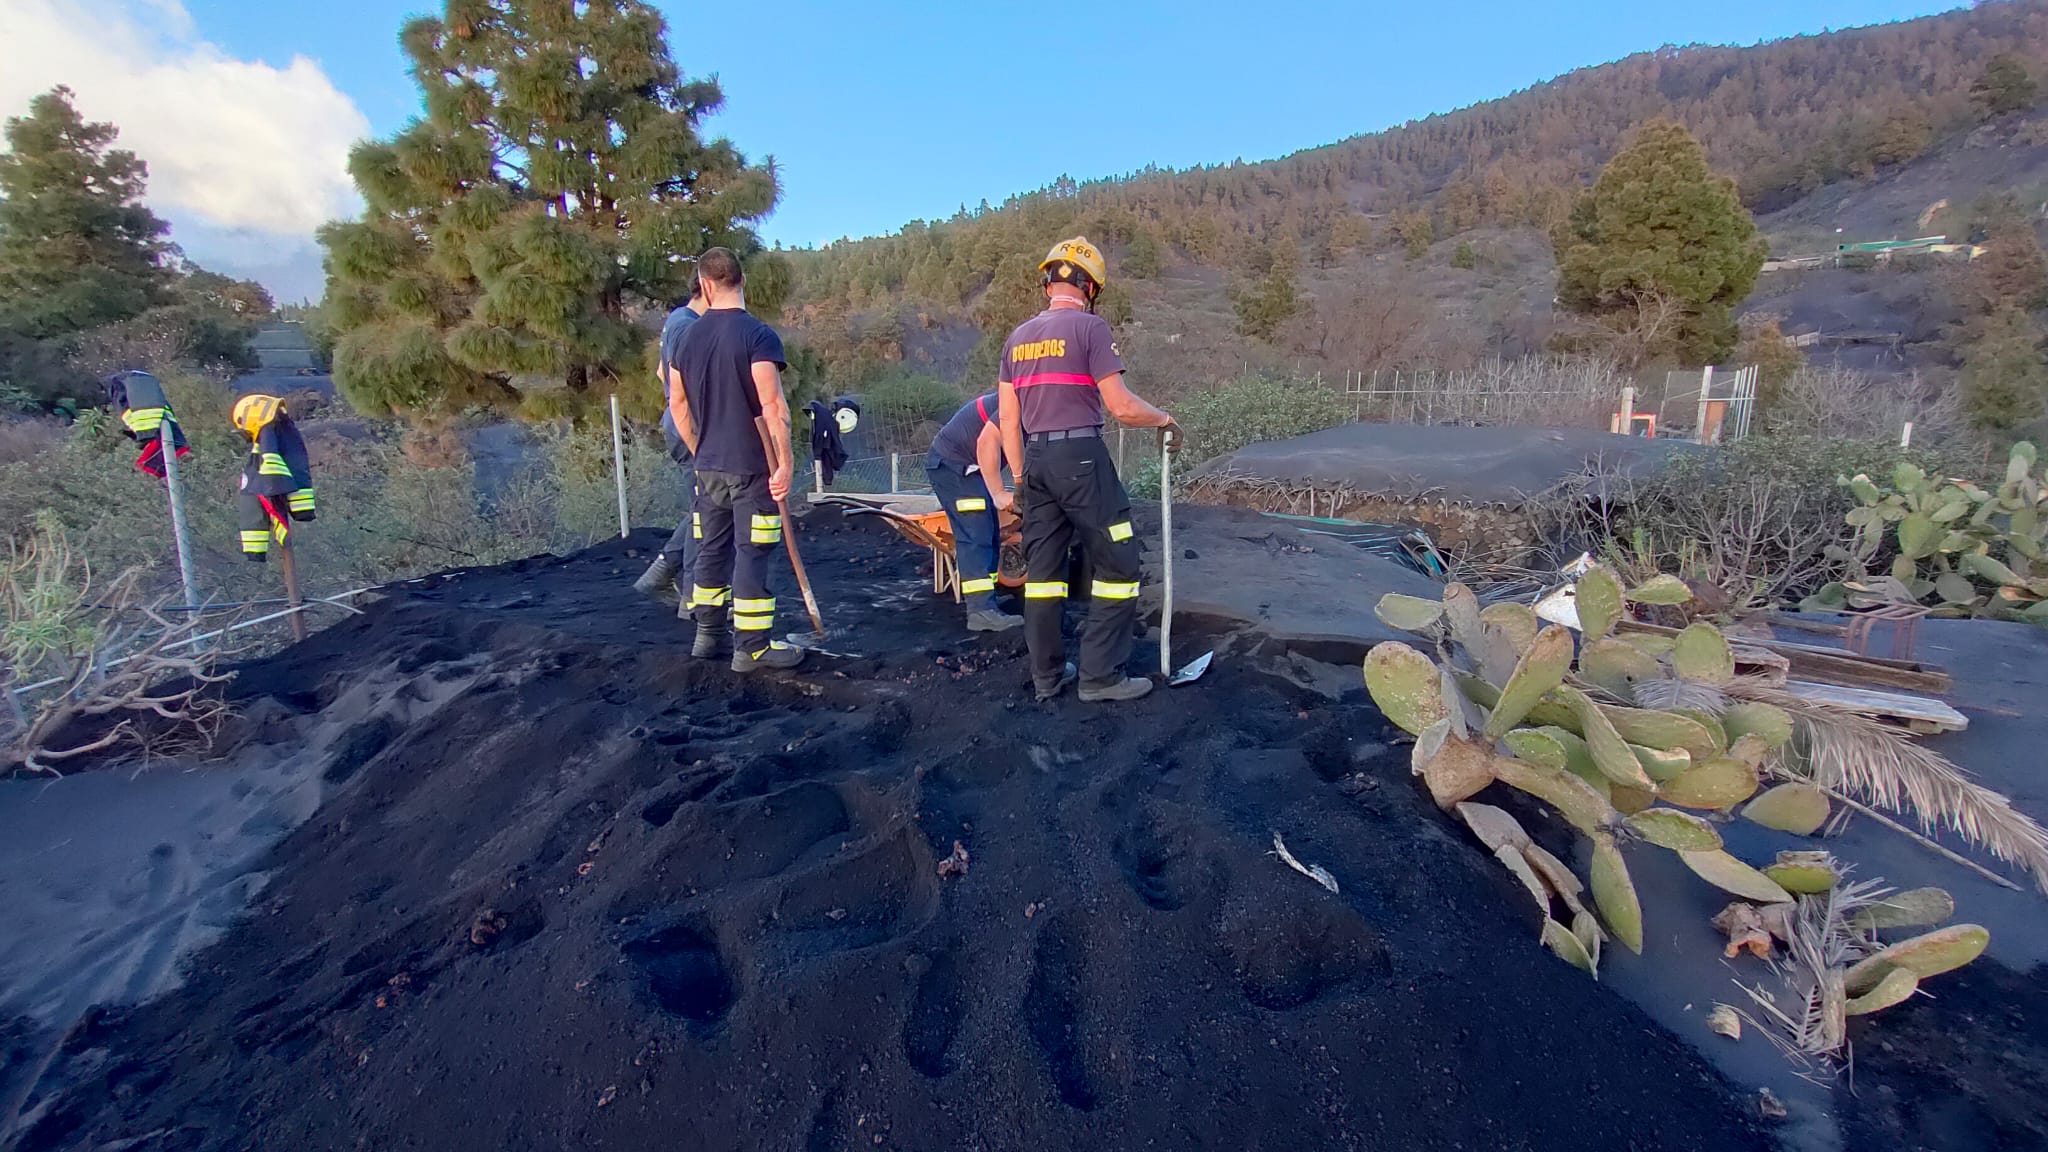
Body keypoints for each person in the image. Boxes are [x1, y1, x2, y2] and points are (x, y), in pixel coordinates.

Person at [998, 237, 1177, 704]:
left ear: (1048, 282)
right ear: (1091, 287)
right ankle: (1100, 677)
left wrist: (1019, 478)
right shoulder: (1090, 329)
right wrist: (1164, 419)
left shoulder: (1016, 339)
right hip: (1080, 456)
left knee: (1043, 575)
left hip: (1035, 462)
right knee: (1118, 563)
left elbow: (1008, 420)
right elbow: (1120, 406)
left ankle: (1047, 678)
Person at [668, 247, 805, 672]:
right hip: (752, 468)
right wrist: (784, 465)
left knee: (710, 549)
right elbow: (773, 406)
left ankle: (707, 636)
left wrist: (699, 450)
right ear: (742, 281)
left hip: (706, 467)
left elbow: (678, 405)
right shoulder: (758, 336)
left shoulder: (685, 337)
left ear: (705, 285)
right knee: (753, 551)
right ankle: (753, 648)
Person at [632, 276, 707, 605]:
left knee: (703, 506)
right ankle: (692, 597)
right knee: (705, 510)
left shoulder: (677, 320)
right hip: (688, 427)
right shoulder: (690, 327)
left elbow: (663, 374)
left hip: (678, 424)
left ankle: (660, 574)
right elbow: (679, 388)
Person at [926, 391, 1023, 632]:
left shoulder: (1033, 403)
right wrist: (1000, 493)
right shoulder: (1020, 403)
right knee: (976, 533)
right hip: (952, 465)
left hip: (970, 467)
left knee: (989, 531)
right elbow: (985, 444)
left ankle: (985, 599)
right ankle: (980, 611)